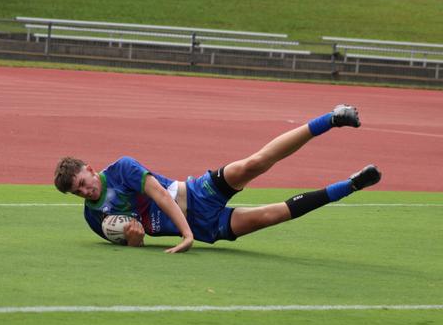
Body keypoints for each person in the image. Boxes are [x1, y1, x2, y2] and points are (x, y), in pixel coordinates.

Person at [54, 104, 381, 253]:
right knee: (271, 215)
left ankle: (332, 118)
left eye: (84, 181)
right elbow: (133, 243)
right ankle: (350, 186)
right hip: (208, 228)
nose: (85, 190)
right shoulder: (94, 218)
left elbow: (160, 196)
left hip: (196, 195)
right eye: (78, 191)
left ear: (91, 169)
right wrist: (135, 237)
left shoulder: (122, 168)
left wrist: (185, 235)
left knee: (255, 163)